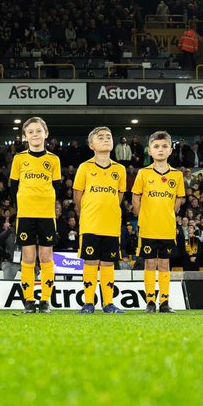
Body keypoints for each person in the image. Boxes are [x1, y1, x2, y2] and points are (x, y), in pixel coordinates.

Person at [72, 126, 127, 314]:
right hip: (90, 223)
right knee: (90, 261)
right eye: (100, 137)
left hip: (111, 224)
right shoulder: (85, 167)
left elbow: (119, 196)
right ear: (91, 145)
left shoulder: (120, 169)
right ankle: (88, 303)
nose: (106, 139)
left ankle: (108, 303)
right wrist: (86, 212)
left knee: (108, 263)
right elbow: (77, 195)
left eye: (109, 136)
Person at [9, 117, 62, 313]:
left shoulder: (53, 160)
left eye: (38, 131)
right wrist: (22, 206)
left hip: (46, 215)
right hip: (25, 215)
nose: (35, 134)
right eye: (30, 131)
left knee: (46, 256)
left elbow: (56, 188)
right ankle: (29, 301)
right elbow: (14, 187)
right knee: (28, 257)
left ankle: (45, 301)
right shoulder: (19, 159)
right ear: (25, 136)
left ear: (46, 134)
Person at [131, 131, 186, 313]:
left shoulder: (177, 175)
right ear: (150, 151)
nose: (160, 150)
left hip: (167, 228)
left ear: (170, 150)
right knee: (150, 264)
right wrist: (142, 217)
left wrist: (170, 213)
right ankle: (150, 302)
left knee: (164, 264)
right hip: (148, 227)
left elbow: (179, 199)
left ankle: (164, 302)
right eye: (156, 146)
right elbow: (135, 198)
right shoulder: (143, 174)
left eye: (164, 146)